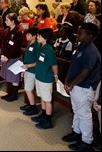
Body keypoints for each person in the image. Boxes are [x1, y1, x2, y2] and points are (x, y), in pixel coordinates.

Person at [62, 22, 101, 151]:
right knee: (76, 110)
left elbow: (86, 71)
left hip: (84, 87)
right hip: (75, 86)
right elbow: (73, 65)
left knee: (84, 114)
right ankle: (76, 132)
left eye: (80, 33)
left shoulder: (91, 51)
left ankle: (86, 141)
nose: (77, 35)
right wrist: (67, 80)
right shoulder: (80, 46)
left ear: (90, 35)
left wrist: (72, 84)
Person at [31, 28, 58, 130]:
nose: (37, 37)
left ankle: (48, 120)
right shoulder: (42, 47)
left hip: (46, 79)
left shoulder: (49, 49)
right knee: (42, 97)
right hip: (39, 77)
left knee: (47, 100)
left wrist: (55, 76)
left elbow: (54, 65)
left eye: (39, 36)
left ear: (45, 38)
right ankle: (43, 115)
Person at [0, 13, 24, 102]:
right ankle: (9, 93)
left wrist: (7, 56)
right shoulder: (7, 30)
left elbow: (16, 47)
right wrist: (2, 54)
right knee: (8, 76)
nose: (5, 21)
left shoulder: (18, 31)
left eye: (7, 20)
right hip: (6, 57)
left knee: (14, 77)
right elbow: (3, 44)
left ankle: (14, 95)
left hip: (14, 57)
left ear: (13, 21)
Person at [20, 26, 40, 116]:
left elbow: (39, 61)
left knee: (28, 89)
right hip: (27, 69)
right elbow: (27, 57)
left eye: (28, 34)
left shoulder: (37, 46)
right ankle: (29, 104)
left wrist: (28, 66)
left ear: (34, 36)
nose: (26, 36)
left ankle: (33, 107)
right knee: (27, 88)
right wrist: (23, 69)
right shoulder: (29, 44)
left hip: (33, 70)